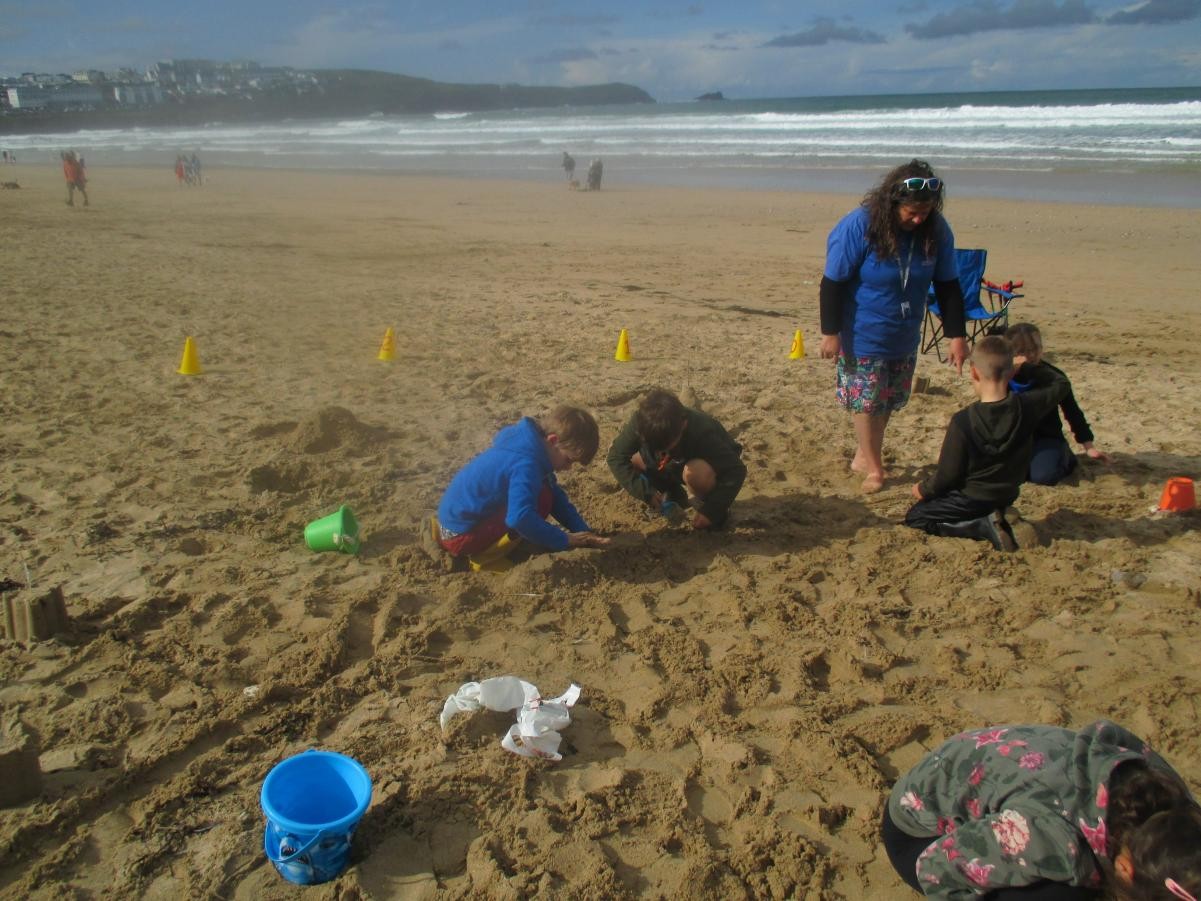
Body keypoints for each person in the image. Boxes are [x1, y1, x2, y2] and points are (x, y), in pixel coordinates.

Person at [882, 720, 1201, 900]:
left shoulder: (1173, 802)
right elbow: (936, 870)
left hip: (1014, 791)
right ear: (1125, 868)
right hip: (922, 832)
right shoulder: (1047, 839)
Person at [820, 159, 969, 493]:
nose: (919, 219)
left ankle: (864, 454)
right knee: (867, 402)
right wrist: (830, 333)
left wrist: (956, 336)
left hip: (903, 333)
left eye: (925, 212)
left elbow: (948, 285)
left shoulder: (937, 230)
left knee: (887, 399)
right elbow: (832, 282)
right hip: (862, 333)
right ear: (893, 203)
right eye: (912, 212)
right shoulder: (859, 226)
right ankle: (875, 468)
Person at [905, 335, 1069, 550]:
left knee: (916, 517)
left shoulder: (963, 421)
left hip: (972, 498)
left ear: (974, 372)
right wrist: (1028, 367)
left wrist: (924, 489)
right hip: (1007, 493)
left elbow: (948, 475)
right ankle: (995, 516)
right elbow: (1061, 383)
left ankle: (980, 526)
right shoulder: (1028, 407)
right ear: (1011, 372)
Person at [431, 405, 610, 572]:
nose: (568, 468)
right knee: (541, 500)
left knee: (545, 493)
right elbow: (520, 517)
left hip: (452, 524)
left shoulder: (526, 447)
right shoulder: (526, 464)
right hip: (460, 537)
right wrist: (566, 539)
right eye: (568, 460)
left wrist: (584, 532)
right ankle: (487, 557)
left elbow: (557, 497)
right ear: (553, 441)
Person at [607, 388, 746, 530]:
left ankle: (713, 510)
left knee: (696, 473)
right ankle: (674, 496)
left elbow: (736, 470)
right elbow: (616, 457)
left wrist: (712, 511)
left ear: (683, 425)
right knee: (631, 457)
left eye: (666, 445)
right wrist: (645, 492)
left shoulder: (701, 432)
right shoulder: (643, 421)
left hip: (708, 464)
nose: (662, 450)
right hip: (671, 464)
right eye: (656, 446)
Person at [1005, 322, 1111, 485]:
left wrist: (1089, 447)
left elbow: (1073, 413)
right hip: (1013, 440)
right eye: (1022, 351)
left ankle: (1066, 458)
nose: (1030, 356)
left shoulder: (1054, 377)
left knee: (1043, 477)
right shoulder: (1002, 377)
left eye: (1035, 349)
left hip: (1046, 438)